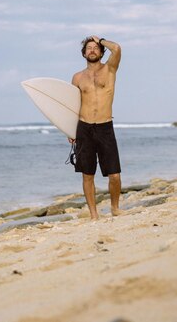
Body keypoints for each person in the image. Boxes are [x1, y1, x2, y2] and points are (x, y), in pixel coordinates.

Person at [70, 36, 122, 219]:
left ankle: (115, 208)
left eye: (95, 48)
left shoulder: (110, 69)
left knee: (114, 175)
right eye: (89, 48)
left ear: (101, 52)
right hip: (84, 128)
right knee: (87, 175)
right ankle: (94, 215)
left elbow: (117, 48)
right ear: (84, 53)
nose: (92, 50)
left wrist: (100, 39)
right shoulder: (77, 77)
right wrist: (70, 129)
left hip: (105, 126)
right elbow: (72, 105)